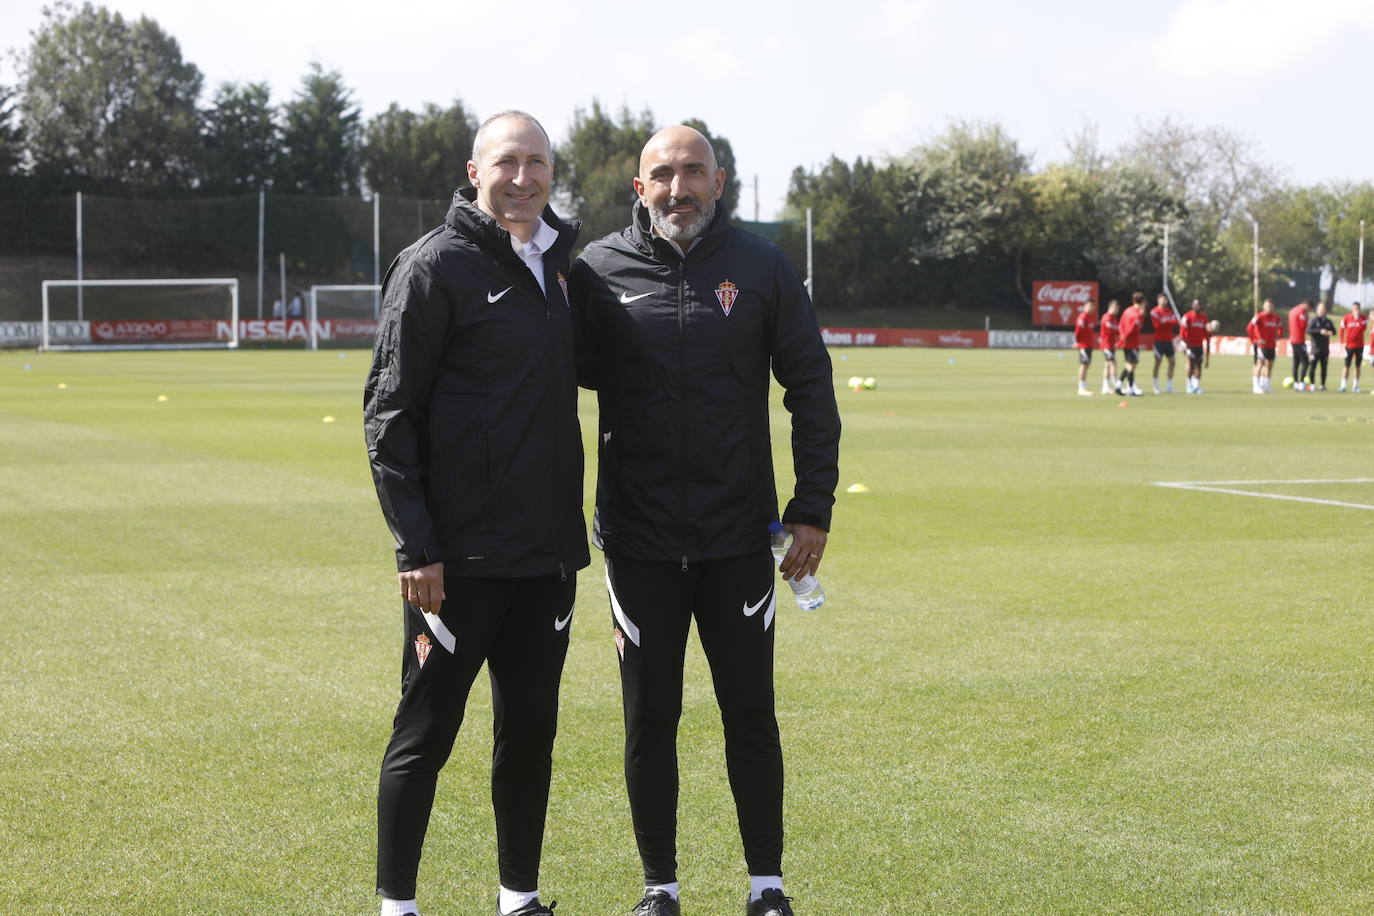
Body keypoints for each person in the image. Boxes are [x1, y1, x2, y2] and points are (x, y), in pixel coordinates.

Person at [570, 125, 840, 916]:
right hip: (639, 543)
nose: (678, 187)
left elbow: (811, 389)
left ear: (720, 183)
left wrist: (813, 507)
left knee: (750, 715)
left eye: (693, 172)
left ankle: (767, 887)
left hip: (737, 541)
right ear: (638, 187)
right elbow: (545, 382)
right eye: (663, 174)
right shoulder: (596, 271)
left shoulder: (761, 268)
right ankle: (660, 888)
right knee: (650, 721)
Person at [363, 111, 587, 916]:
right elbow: (389, 417)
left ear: (552, 173)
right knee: (424, 737)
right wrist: (415, 547)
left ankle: (518, 901)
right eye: (506, 163)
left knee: (528, 740)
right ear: (473, 170)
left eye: (536, 164)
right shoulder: (433, 267)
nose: (522, 178)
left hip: (546, 560)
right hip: (455, 566)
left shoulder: (563, 265)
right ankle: (397, 908)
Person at [1248, 298, 1283, 394]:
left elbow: (1280, 328)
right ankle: (1256, 386)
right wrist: (1255, 340)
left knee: (1270, 365)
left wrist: (1278, 336)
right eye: (1267, 306)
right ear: (1264, 306)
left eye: (1271, 306)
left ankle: (1266, 385)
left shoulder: (1276, 317)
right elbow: (1249, 327)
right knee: (1260, 364)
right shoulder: (1259, 316)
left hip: (1272, 345)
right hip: (1261, 345)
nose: (1269, 308)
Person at [1149, 293, 1179, 394]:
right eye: (1162, 299)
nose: (1164, 301)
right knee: (1158, 363)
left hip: (1168, 341)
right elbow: (1157, 324)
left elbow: (1175, 323)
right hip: (1159, 341)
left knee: (1172, 362)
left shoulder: (1170, 311)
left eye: (1166, 299)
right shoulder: (1154, 311)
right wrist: (1167, 322)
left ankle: (1169, 387)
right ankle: (1156, 386)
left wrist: (1164, 322)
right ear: (1158, 300)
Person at [1179, 299, 1210, 394]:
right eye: (1196, 305)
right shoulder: (1187, 317)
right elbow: (1183, 333)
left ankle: (1196, 386)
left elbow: (1206, 333)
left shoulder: (1204, 318)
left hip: (1199, 344)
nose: (1198, 306)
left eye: (1199, 305)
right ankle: (1189, 385)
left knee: (1198, 365)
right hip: (1188, 344)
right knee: (1190, 363)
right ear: (1192, 306)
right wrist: (1186, 344)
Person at [1117, 292, 1145, 396]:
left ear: (1133, 301)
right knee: (1131, 366)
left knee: (1129, 365)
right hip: (1132, 343)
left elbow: (1120, 325)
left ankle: (1118, 385)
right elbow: (1133, 329)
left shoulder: (1127, 311)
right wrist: (1125, 337)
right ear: (1142, 302)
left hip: (1126, 343)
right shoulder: (1138, 314)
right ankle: (1130, 388)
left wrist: (1122, 336)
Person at [1307, 301, 1336, 390]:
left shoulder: (1328, 321)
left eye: (1324, 309)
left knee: (1324, 368)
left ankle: (1322, 385)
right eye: (1321, 309)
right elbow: (1309, 331)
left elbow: (1334, 332)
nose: (1323, 311)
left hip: (1325, 349)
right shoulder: (1313, 320)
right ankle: (1312, 384)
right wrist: (1320, 331)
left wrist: (1330, 332)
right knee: (1312, 367)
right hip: (1315, 349)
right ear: (1317, 310)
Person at [1339, 302, 1367, 392]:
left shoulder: (1363, 318)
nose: (1356, 310)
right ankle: (1343, 386)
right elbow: (1341, 330)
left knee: (1357, 366)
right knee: (1347, 365)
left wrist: (1357, 319)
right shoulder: (1346, 318)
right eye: (1354, 308)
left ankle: (1355, 386)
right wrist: (1342, 341)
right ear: (1352, 309)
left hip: (1359, 345)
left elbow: (1363, 328)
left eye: (1357, 308)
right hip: (1349, 346)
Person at [1073, 300, 1097, 396]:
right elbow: (1078, 331)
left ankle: (1084, 386)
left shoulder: (1090, 317)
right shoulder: (1083, 317)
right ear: (1085, 306)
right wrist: (1078, 342)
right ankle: (1081, 388)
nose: (1092, 308)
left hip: (1089, 345)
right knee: (1083, 365)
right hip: (1084, 345)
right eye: (1090, 305)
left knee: (1086, 365)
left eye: (1093, 306)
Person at [1099, 300, 1121, 394]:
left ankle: (1105, 386)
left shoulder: (1113, 318)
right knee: (1112, 363)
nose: (1117, 310)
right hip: (1106, 344)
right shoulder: (1106, 317)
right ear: (1111, 307)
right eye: (1116, 308)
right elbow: (1111, 330)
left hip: (1111, 344)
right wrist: (1120, 330)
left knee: (1107, 365)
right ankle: (1116, 384)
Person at [1288, 299, 1311, 391]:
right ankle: (1301, 383)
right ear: (1307, 305)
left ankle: (1296, 383)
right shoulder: (1302, 312)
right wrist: (1307, 319)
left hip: (1292, 339)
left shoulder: (1292, 310)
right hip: (1299, 340)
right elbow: (1303, 325)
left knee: (1296, 362)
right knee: (1305, 362)